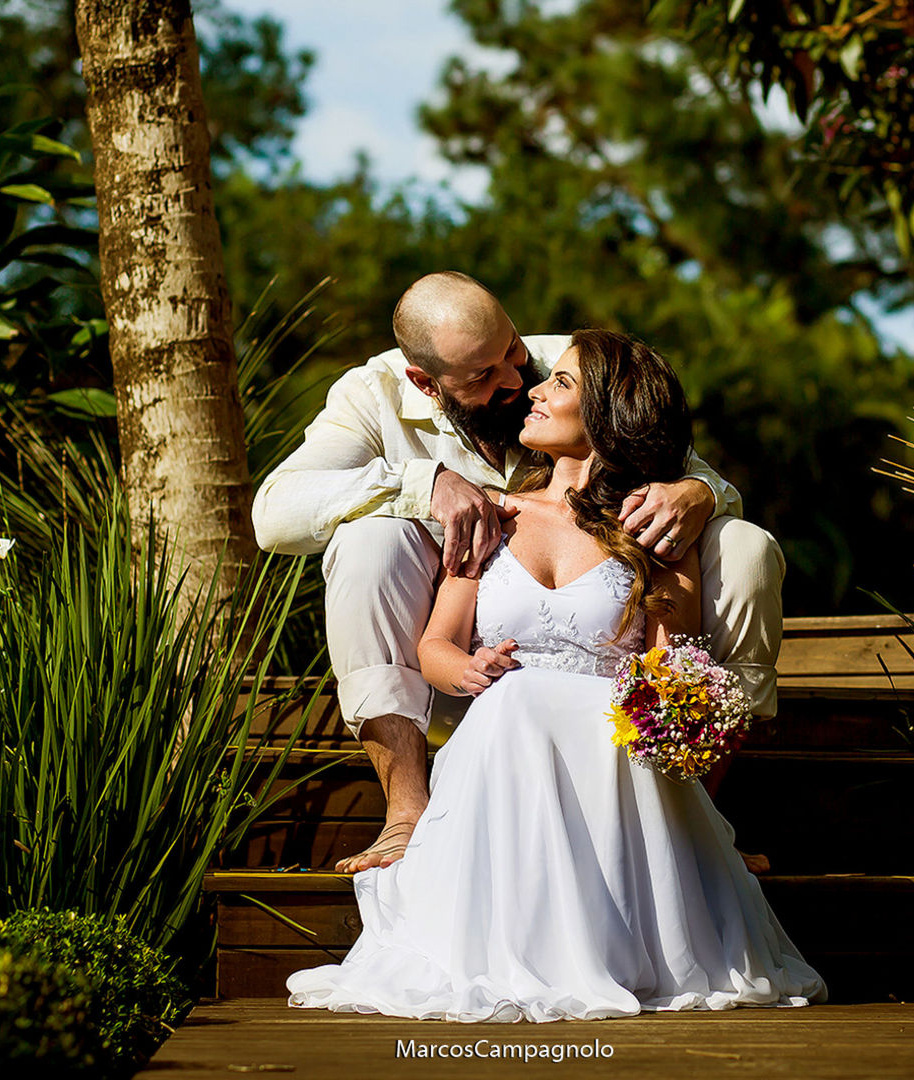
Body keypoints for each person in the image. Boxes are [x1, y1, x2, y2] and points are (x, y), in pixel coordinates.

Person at [285, 329, 826, 1021]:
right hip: (503, 740)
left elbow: (668, 667)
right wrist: (469, 672)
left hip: (610, 754)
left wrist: (681, 717)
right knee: (516, 702)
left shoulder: (651, 531)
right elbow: (436, 647)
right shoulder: (496, 514)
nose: (533, 390)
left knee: (536, 702)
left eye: (560, 383)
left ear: (610, 414)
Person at [251, 272, 785, 873]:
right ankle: (406, 810)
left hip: (614, 696)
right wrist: (421, 482)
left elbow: (663, 454)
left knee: (747, 546)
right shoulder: (369, 395)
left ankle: (697, 817)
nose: (514, 380)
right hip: (464, 677)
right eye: (482, 377)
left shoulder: (573, 368)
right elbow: (273, 515)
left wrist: (696, 491)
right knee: (369, 540)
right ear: (426, 383)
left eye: (513, 351)